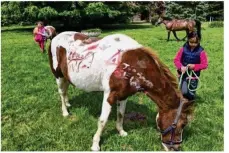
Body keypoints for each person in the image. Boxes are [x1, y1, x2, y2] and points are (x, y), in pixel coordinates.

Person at [174, 32, 208, 101]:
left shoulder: (201, 51)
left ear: (198, 41)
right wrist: (180, 67)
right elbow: (176, 60)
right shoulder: (183, 49)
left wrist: (195, 66)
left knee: (191, 92)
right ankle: (184, 100)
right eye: (191, 42)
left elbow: (205, 64)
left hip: (193, 76)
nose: (193, 44)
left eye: (195, 43)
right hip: (183, 74)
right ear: (188, 40)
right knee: (183, 91)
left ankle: (190, 101)